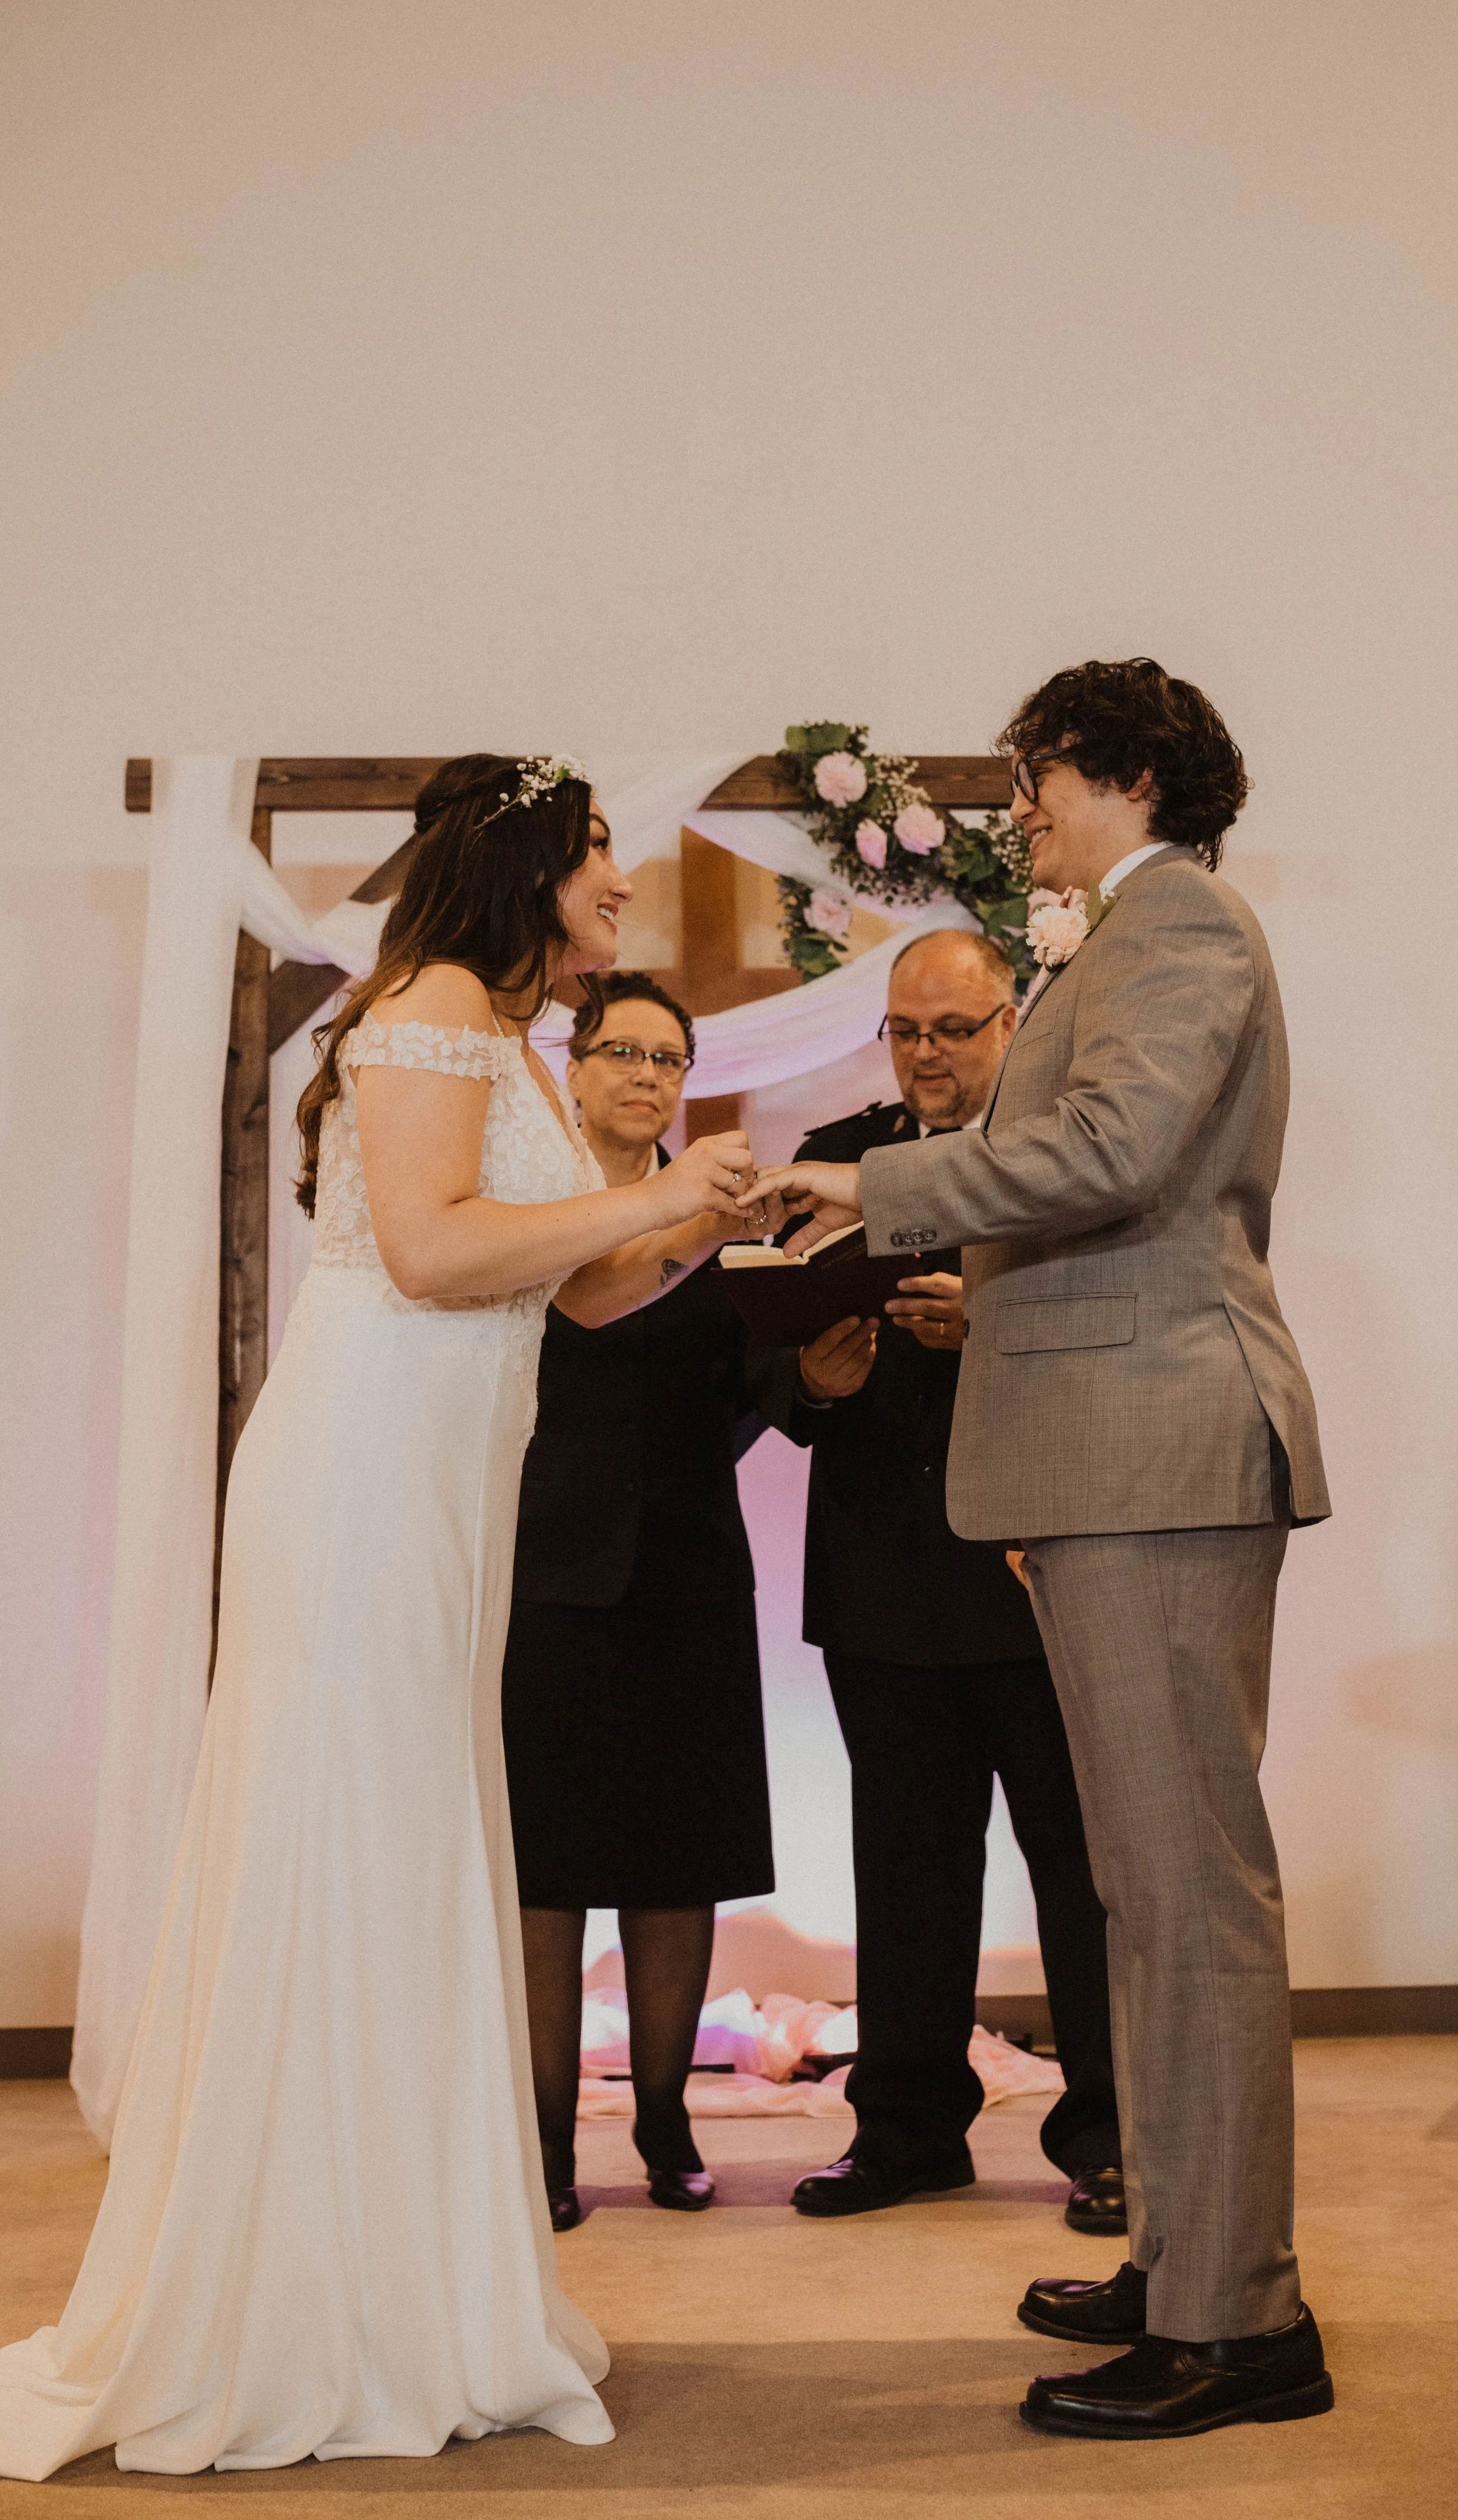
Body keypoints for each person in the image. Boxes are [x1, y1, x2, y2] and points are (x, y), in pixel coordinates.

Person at [0, 756, 759, 2479]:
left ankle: (412, 2273)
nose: (622, 894)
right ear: (525, 866)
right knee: (341, 1841)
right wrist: (651, 1192)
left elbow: (568, 1278)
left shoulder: (492, 1031)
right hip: (356, 1483)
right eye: (598, 864)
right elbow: (427, 1249)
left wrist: (711, 1221)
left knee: (410, 1843)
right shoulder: (421, 1005)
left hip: (438, 1486)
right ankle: (300, 2298)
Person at [744, 661, 1335, 2442]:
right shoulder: (1124, 935)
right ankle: (1183, 2255)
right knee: (1140, 1902)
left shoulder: (1183, 924)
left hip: (1157, 1444)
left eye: (1037, 774)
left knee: (1186, 1901)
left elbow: (1112, 1147)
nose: (1020, 806)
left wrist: (879, 1183)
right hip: (1108, 1457)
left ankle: (1240, 2326)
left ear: (1130, 772)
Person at [762, 927, 1122, 2231]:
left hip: (1036, 1569)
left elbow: (1113, 1336)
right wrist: (811, 1379)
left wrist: (996, 1324)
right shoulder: (844, 1162)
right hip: (880, 1573)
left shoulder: (1065, 1155)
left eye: (951, 1028)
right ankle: (905, 2128)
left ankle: (1107, 2134)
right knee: (903, 1867)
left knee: (1080, 1866)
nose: (923, 1053)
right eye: (905, 1029)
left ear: (1007, 1025)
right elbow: (768, 1372)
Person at [502, 972, 791, 2231]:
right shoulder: (516, 1205)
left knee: (679, 1861)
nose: (643, 1074)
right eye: (620, 1050)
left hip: (685, 1568)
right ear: (571, 1063)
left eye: (666, 1059)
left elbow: (751, 1381)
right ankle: (542, 2136)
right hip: (539, 1573)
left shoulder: (726, 1220)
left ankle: (666, 2118)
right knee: (545, 1870)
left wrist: (814, 1375)